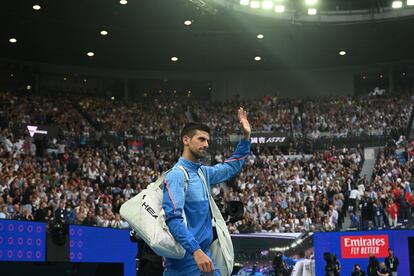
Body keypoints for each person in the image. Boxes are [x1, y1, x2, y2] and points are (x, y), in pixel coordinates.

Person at [162, 107, 251, 275]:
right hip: (185, 260)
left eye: (207, 140)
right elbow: (173, 219)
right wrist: (196, 251)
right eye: (201, 139)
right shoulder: (176, 176)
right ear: (186, 140)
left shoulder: (203, 173)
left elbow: (231, 166)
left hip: (203, 255)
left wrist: (246, 137)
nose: (206, 144)